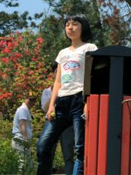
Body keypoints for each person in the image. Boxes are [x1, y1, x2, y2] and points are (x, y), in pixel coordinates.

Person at [36, 15, 97, 175]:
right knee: (43, 145)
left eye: (75, 24)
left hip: (80, 99)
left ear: (83, 27)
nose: (70, 27)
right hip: (61, 103)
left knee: (80, 148)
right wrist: (51, 106)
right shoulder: (62, 53)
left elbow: (93, 76)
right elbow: (58, 82)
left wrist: (88, 101)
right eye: (67, 24)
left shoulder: (89, 48)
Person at [40, 66, 75, 175]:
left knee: (68, 154)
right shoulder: (46, 91)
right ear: (54, 75)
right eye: (57, 73)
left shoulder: (70, 91)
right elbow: (45, 108)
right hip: (52, 122)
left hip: (66, 124)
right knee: (47, 152)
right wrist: (56, 92)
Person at [11, 95, 36, 174]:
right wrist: (26, 139)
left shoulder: (25, 109)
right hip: (21, 140)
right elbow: (22, 125)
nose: (32, 103)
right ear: (26, 100)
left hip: (21, 140)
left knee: (28, 163)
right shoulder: (23, 110)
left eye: (33, 100)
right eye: (30, 100)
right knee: (22, 163)